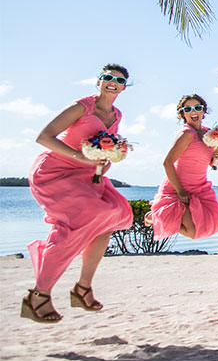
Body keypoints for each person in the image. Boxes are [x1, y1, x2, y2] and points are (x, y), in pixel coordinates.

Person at [22, 64, 134, 322]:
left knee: (113, 216)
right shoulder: (81, 106)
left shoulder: (117, 115)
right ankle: (38, 295)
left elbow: (100, 147)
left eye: (118, 80)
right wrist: (79, 157)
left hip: (86, 176)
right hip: (54, 174)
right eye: (107, 78)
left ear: (124, 87)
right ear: (99, 81)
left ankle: (82, 288)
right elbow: (44, 137)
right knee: (74, 226)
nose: (112, 82)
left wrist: (107, 159)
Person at [148, 94, 218, 241]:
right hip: (178, 187)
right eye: (188, 109)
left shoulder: (210, 134)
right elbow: (167, 162)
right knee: (192, 231)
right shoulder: (186, 134)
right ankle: (156, 215)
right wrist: (180, 191)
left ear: (203, 111)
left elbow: (208, 163)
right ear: (182, 113)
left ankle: (157, 215)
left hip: (199, 186)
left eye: (197, 108)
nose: (193, 112)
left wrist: (215, 160)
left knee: (211, 226)